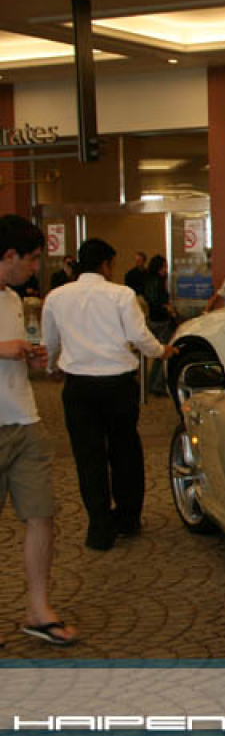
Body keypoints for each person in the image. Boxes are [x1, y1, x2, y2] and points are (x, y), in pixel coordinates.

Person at [41, 238, 177, 551]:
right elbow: (138, 335)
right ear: (107, 264)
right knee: (124, 450)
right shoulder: (121, 294)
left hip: (78, 387)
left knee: (88, 457)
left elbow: (50, 341)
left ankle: (99, 527)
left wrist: (50, 367)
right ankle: (128, 518)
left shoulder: (56, 297)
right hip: (118, 384)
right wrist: (161, 351)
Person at [0, 214, 77, 646]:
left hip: (24, 420)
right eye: (30, 260)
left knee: (42, 514)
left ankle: (38, 608)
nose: (34, 269)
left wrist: (29, 359)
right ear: (8, 256)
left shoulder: (14, 300)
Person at [142, 255, 178, 394]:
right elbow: (158, 301)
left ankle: (152, 383)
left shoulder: (149, 280)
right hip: (162, 320)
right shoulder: (158, 282)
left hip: (153, 319)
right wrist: (168, 308)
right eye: (164, 267)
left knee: (157, 353)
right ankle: (157, 384)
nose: (165, 270)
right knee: (162, 353)